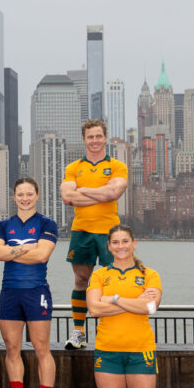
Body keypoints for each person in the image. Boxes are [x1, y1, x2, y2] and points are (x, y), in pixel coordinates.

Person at [86, 224, 161, 388]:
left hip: (141, 351)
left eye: (125, 241)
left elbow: (150, 307)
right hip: (107, 352)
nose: (120, 246)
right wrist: (132, 303)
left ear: (134, 243)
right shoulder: (100, 274)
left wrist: (114, 299)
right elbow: (94, 309)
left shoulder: (149, 274)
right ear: (108, 246)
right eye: (115, 242)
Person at [0, 177, 59, 388]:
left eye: (29, 194)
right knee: (12, 348)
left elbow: (42, 256)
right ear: (14, 197)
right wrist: (28, 248)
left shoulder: (47, 223)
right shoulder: (3, 224)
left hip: (36, 291)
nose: (25, 198)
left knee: (41, 347)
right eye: (20, 194)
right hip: (10, 291)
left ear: (37, 195)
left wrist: (10, 252)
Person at [60, 120, 128, 349]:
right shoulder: (73, 167)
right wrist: (101, 192)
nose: (95, 140)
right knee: (81, 280)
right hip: (82, 231)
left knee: (111, 283)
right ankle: (79, 332)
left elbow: (113, 193)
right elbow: (68, 197)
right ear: (84, 139)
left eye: (99, 136)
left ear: (105, 137)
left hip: (110, 233)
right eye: (90, 137)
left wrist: (84, 190)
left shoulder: (117, 166)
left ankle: (106, 331)